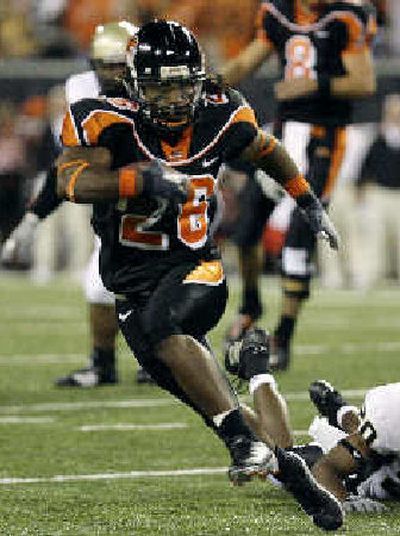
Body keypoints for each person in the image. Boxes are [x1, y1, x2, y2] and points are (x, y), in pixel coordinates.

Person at [55, 19, 344, 530]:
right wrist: (136, 178)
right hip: (130, 284)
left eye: (182, 83)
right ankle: (292, 470)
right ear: (134, 83)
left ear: (199, 78)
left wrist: (307, 200)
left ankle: (240, 442)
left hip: (197, 267)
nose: (172, 98)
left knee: (171, 329)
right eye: (160, 86)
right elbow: (71, 180)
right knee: (213, 400)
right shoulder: (105, 119)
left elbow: (266, 151)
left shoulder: (221, 112)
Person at [222, 0, 376, 370]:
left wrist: (313, 83)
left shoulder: (345, 16)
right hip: (283, 137)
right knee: (245, 234)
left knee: (297, 240)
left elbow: (364, 81)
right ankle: (250, 306)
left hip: (324, 138)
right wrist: (204, 86)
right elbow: (244, 64)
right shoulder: (276, 12)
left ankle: (283, 338)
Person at [0, 20, 155, 386]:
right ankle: (105, 364)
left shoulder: (158, 88)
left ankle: (159, 360)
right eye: (107, 64)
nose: (114, 73)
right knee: (99, 283)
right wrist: (34, 218)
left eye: (121, 64)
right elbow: (71, 164)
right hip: (118, 192)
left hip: (165, 189)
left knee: (158, 280)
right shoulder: (83, 90)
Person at [226, 332, 400, 513]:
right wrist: (343, 499)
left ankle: (337, 408)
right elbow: (325, 468)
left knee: (371, 435)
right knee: (283, 462)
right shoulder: (393, 413)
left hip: (377, 457)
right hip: (356, 468)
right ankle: (255, 363)